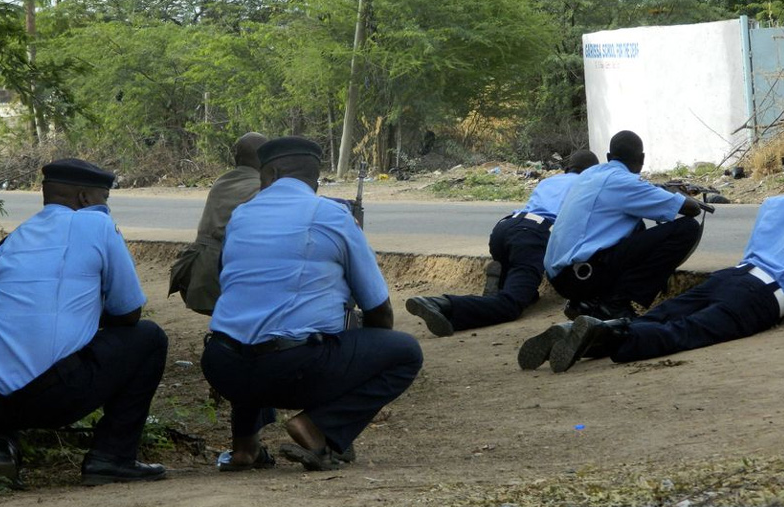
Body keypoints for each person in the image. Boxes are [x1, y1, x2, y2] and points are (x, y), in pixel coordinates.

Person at [201, 136, 423, 471]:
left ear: (271, 173)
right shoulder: (332, 215)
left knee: (250, 330)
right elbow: (379, 310)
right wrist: (356, 350)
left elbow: (230, 286)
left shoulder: (241, 216)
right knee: (405, 351)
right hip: (294, 370)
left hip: (222, 366)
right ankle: (319, 427)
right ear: (314, 180)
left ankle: (244, 447)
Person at [530, 163, 784, 373]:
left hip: (732, 276)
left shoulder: (773, 203)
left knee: (663, 315)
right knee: (687, 331)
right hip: (761, 294)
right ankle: (610, 334)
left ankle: (583, 331)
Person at [0, 159, 168, 486]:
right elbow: (128, 313)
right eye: (105, 198)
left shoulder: (10, 242)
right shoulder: (97, 226)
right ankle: (112, 455)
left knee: (7, 342)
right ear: (85, 199)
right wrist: (88, 314)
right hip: (53, 396)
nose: (106, 206)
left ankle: (3, 446)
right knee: (149, 338)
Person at [516, 130, 703, 369]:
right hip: (582, 274)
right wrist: (672, 194)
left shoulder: (591, 174)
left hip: (564, 276)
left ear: (607, 156)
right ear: (642, 158)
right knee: (686, 230)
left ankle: (585, 314)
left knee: (635, 225)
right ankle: (615, 304)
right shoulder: (623, 182)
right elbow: (690, 210)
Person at [404, 150, 600, 336]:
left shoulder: (550, 181)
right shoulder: (588, 185)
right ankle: (443, 305)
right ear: (593, 171)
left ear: (567, 169)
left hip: (505, 229)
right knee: (510, 305)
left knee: (526, 288)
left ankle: (503, 276)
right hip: (532, 237)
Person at [169, 132, 268, 314]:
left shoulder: (222, 182)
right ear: (266, 158)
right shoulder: (261, 187)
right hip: (227, 276)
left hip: (201, 275)